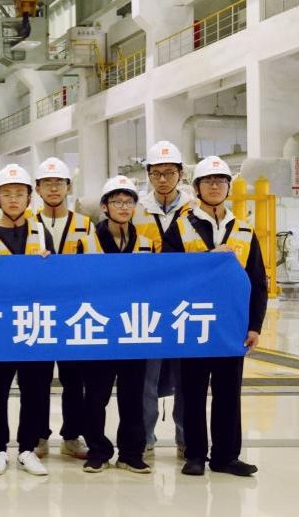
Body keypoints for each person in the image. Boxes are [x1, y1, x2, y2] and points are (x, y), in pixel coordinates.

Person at [164, 156, 266, 477]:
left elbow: (257, 282)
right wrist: (209, 257)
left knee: (228, 393)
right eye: (208, 181)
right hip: (193, 322)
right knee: (192, 392)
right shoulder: (180, 226)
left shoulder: (245, 229)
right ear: (197, 188)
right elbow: (169, 274)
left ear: (228, 187)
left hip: (231, 326)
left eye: (221, 181)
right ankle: (195, 454)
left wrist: (254, 325)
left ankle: (226, 456)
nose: (215, 186)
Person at [0, 164, 54, 477]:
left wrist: (48, 262)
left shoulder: (40, 232)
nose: (14, 199)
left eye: (19, 193)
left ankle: (27, 449)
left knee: (34, 390)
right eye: (7, 194)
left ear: (29, 197)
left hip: (33, 322)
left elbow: (53, 277)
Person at [80, 176, 153, 474]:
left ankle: (131, 453)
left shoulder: (146, 243)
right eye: (116, 201)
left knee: (132, 395)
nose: (123, 207)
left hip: (134, 328)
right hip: (98, 328)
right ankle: (97, 450)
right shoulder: (87, 242)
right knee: (95, 396)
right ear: (104, 207)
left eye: (128, 202)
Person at [133, 140, 193, 458]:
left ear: (181, 174)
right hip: (148, 307)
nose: (163, 179)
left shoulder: (195, 211)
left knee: (187, 377)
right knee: (147, 377)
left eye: (169, 173)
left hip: (186, 306)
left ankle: (186, 437)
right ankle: (145, 436)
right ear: (149, 175)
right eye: (156, 173)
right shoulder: (137, 211)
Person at [32, 157, 93, 461]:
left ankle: (72, 435)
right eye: (47, 183)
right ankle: (38, 435)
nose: (53, 188)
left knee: (74, 380)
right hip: (38, 313)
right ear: (38, 189)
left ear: (68, 186)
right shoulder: (28, 225)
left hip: (73, 314)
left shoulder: (85, 225)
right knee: (37, 380)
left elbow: (95, 267)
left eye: (59, 182)